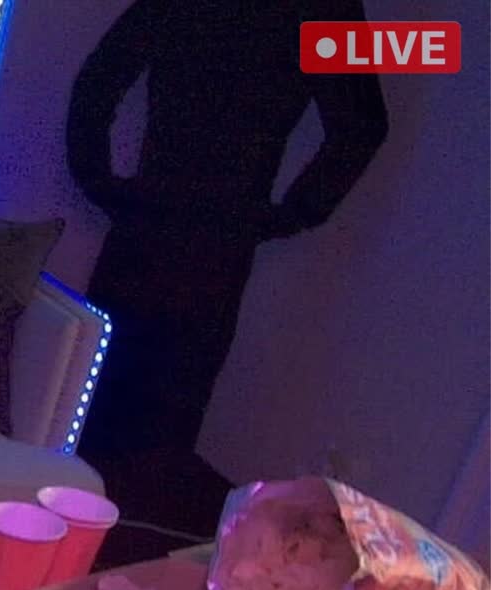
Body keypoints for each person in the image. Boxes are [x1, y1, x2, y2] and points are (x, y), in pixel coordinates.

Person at [67, 0, 388, 464]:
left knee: (105, 389)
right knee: (160, 401)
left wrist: (99, 180)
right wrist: (291, 214)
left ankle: (75, 488)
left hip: (164, 214)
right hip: (216, 228)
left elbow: (100, 77)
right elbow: (363, 125)